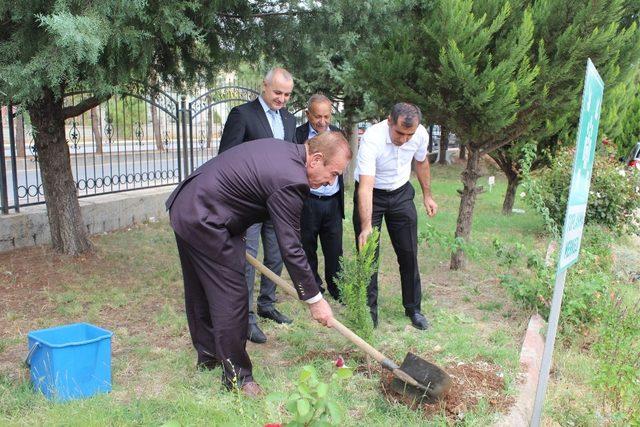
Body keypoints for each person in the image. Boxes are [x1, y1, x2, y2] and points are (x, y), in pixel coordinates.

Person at [166, 132, 351, 396]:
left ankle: (208, 357)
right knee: (232, 296)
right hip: (205, 219)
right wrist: (314, 299)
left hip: (188, 206)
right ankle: (238, 379)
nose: (329, 183)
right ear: (316, 159)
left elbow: (244, 187)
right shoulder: (292, 179)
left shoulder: (286, 153)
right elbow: (291, 246)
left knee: (200, 288)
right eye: (332, 174)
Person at [218, 68, 298, 344]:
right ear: (264, 86)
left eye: (287, 95)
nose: (282, 99)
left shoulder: (290, 119)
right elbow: (226, 158)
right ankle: (246, 318)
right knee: (247, 261)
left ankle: (267, 304)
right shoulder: (242, 115)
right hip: (249, 202)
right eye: (277, 92)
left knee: (275, 256)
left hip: (277, 202)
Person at [353, 103, 438, 330]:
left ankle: (414, 309)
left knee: (409, 253)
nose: (403, 139)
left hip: (401, 193)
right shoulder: (372, 138)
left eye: (409, 134)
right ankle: (368, 313)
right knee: (368, 255)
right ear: (389, 120)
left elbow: (421, 162)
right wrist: (366, 226)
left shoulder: (419, 134)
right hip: (373, 194)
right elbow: (365, 187)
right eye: (400, 132)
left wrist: (427, 195)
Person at [295, 94, 345, 301]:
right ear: (308, 114)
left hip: (332, 202)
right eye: (317, 117)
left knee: (334, 248)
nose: (322, 122)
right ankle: (313, 288)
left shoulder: (338, 135)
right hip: (308, 201)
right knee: (307, 247)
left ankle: (336, 288)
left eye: (326, 116)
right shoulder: (297, 135)